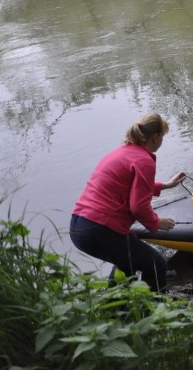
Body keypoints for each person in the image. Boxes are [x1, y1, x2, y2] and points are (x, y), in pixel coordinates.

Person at [70, 112, 186, 293]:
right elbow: (138, 206)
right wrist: (156, 222)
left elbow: (129, 186)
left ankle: (116, 312)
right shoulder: (144, 160)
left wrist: (166, 185)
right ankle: (154, 314)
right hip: (100, 230)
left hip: (80, 226)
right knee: (156, 264)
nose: (162, 141)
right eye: (162, 137)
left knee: (127, 265)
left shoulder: (122, 152)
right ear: (155, 138)